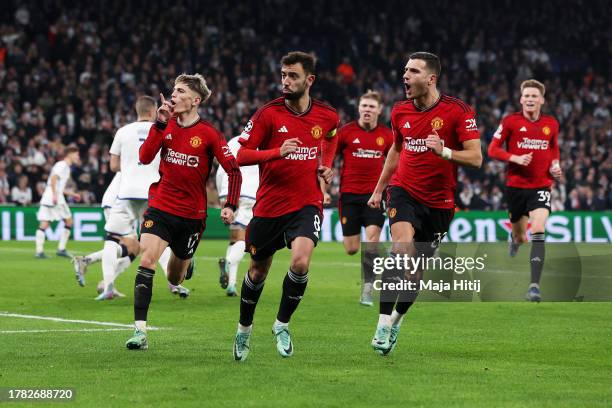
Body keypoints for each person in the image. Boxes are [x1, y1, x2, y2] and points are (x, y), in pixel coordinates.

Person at [367, 52, 482, 355]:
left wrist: (444, 152)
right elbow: (395, 150)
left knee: (415, 273)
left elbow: (476, 157)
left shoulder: (458, 111)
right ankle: (381, 323)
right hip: (403, 191)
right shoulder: (399, 111)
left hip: (440, 202)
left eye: (413, 71)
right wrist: (380, 189)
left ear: (430, 79)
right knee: (400, 249)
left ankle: (396, 320)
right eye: (404, 70)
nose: (405, 76)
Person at [232, 51, 339, 361]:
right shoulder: (267, 114)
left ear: (310, 80)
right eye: (283, 75)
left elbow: (332, 135)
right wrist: (276, 152)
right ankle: (244, 329)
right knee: (257, 271)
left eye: (292, 76)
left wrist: (326, 165)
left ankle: (281, 324)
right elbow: (242, 156)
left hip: (306, 203)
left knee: (301, 263)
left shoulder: (326, 115)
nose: (286, 81)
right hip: (269, 207)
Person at [125, 74, 241, 350]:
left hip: (192, 217)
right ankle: (140, 332)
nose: (172, 96)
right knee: (147, 260)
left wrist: (230, 205)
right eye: (172, 91)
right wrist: (159, 124)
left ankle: (187, 263)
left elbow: (233, 170)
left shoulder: (210, 134)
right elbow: (143, 157)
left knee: (174, 277)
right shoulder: (165, 126)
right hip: (161, 207)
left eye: (179, 92)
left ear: (195, 100)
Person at [487, 79, 561, 302]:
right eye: (526, 96)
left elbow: (553, 148)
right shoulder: (510, 121)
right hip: (516, 188)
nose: (530, 99)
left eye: (534, 96)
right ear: (521, 99)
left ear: (541, 100)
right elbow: (492, 150)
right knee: (521, 236)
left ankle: (534, 286)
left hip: (541, 186)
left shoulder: (551, 123)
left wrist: (556, 164)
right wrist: (515, 157)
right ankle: (515, 238)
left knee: (538, 230)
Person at [333, 90, 393, 306]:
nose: (367, 110)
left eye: (371, 107)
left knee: (373, 242)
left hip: (374, 197)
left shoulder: (387, 136)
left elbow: (395, 163)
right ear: (359, 108)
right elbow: (329, 156)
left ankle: (367, 289)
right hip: (348, 197)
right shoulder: (346, 132)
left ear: (379, 110)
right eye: (364, 106)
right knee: (351, 249)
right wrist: (324, 182)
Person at [216, 135, 259, 297]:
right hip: (249, 193)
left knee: (234, 238)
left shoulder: (233, 141)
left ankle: (231, 284)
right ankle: (228, 262)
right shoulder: (262, 143)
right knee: (244, 238)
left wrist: (223, 195)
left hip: (228, 191)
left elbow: (221, 169)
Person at [35, 146, 81, 258]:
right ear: (69, 154)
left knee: (45, 224)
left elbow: (58, 185)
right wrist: (55, 195)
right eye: (76, 154)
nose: (78, 157)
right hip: (55, 198)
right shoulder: (62, 165)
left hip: (49, 196)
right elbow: (53, 178)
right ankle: (61, 249)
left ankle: (39, 251)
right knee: (69, 221)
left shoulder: (65, 167)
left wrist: (72, 194)